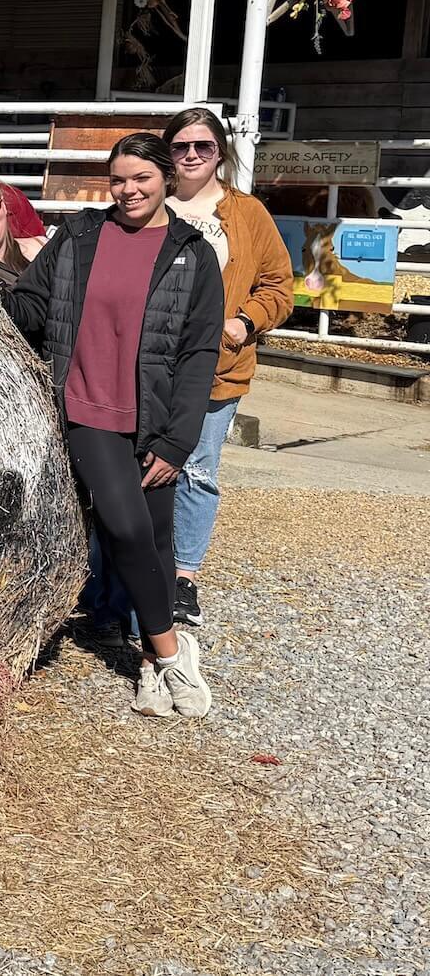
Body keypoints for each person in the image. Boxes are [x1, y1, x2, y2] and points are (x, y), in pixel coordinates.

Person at [2, 132, 223, 718]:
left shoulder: (192, 254)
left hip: (155, 418)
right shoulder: (79, 237)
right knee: (124, 529)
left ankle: (149, 660)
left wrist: (179, 439)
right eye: (119, 179)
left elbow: (201, 354)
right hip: (86, 408)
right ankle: (174, 654)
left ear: (165, 180)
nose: (128, 190)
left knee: (154, 537)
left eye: (141, 179)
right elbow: (31, 304)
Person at [158, 108, 292, 627]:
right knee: (138, 465)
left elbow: (280, 285)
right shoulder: (148, 202)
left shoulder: (247, 213)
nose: (191, 156)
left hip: (217, 365)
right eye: (181, 147)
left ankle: (183, 577)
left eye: (203, 147)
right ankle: (134, 566)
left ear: (220, 153)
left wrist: (244, 322)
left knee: (196, 470)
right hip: (150, 365)